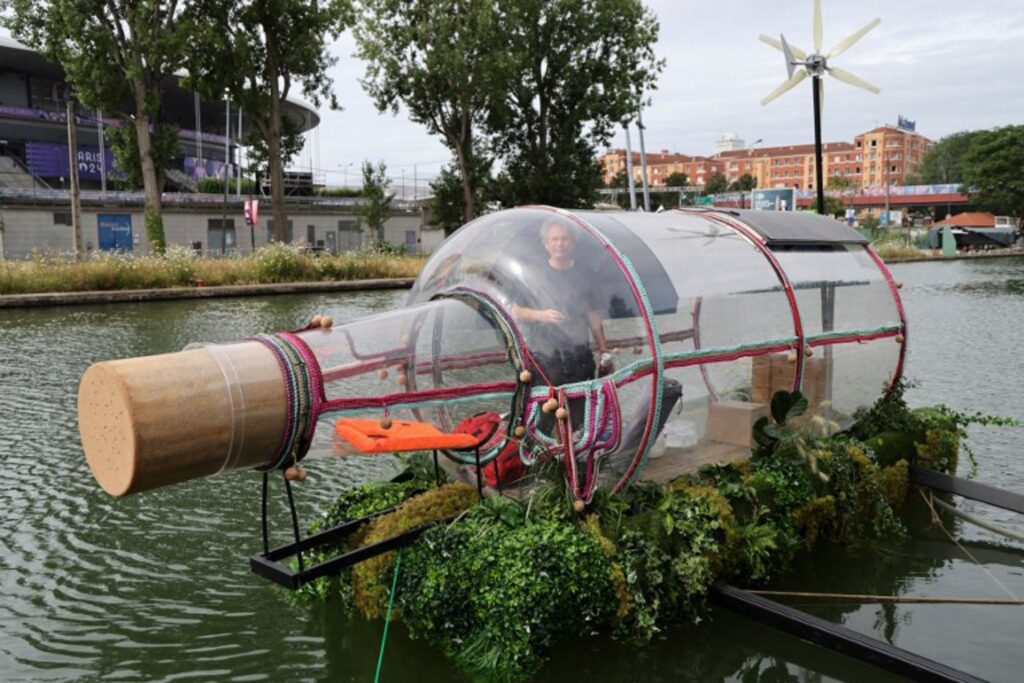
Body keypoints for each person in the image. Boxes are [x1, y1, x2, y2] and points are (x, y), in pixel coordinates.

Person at [511, 218, 612, 430]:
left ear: (572, 243)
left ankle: (574, 458)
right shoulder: (534, 274)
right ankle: (544, 459)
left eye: (564, 239)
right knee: (545, 414)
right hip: (545, 357)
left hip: (578, 355)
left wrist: (604, 351)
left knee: (578, 415)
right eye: (554, 239)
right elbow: (516, 310)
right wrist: (541, 315)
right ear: (546, 244)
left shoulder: (586, 275)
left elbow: (594, 317)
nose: (560, 244)